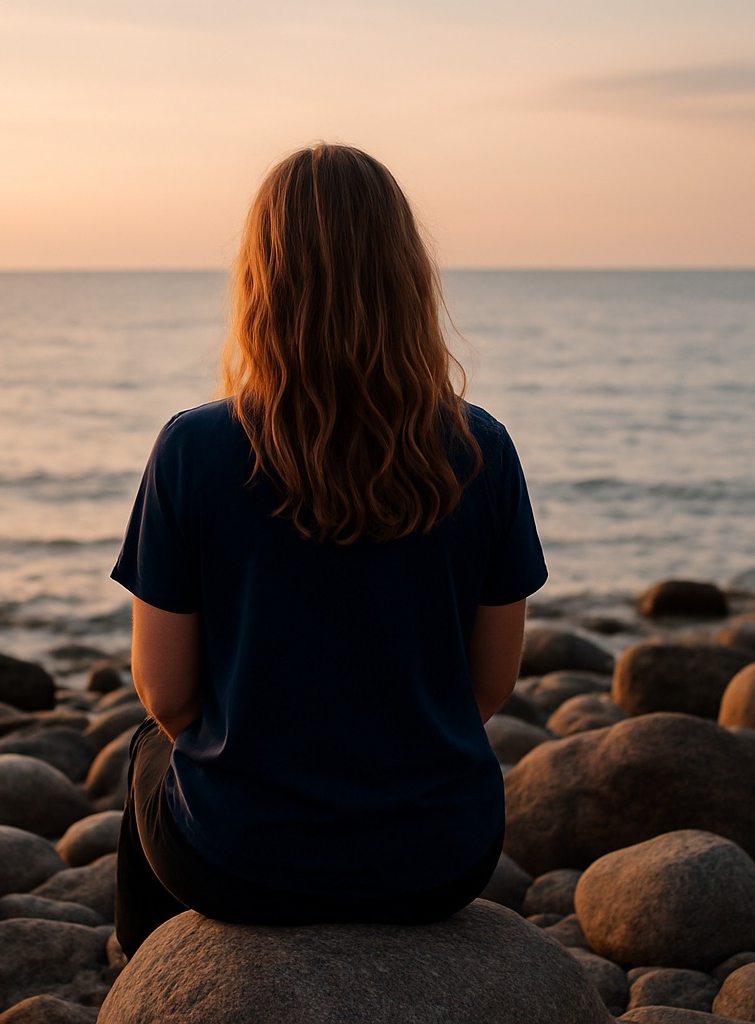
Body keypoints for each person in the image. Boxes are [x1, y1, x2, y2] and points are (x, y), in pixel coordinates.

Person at [110, 143, 547, 957]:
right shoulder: (481, 446)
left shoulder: (193, 448)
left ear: (260, 279)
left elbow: (166, 694)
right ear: (405, 276)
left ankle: (152, 983)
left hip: (240, 861)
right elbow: (488, 684)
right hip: (439, 861)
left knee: (144, 750)